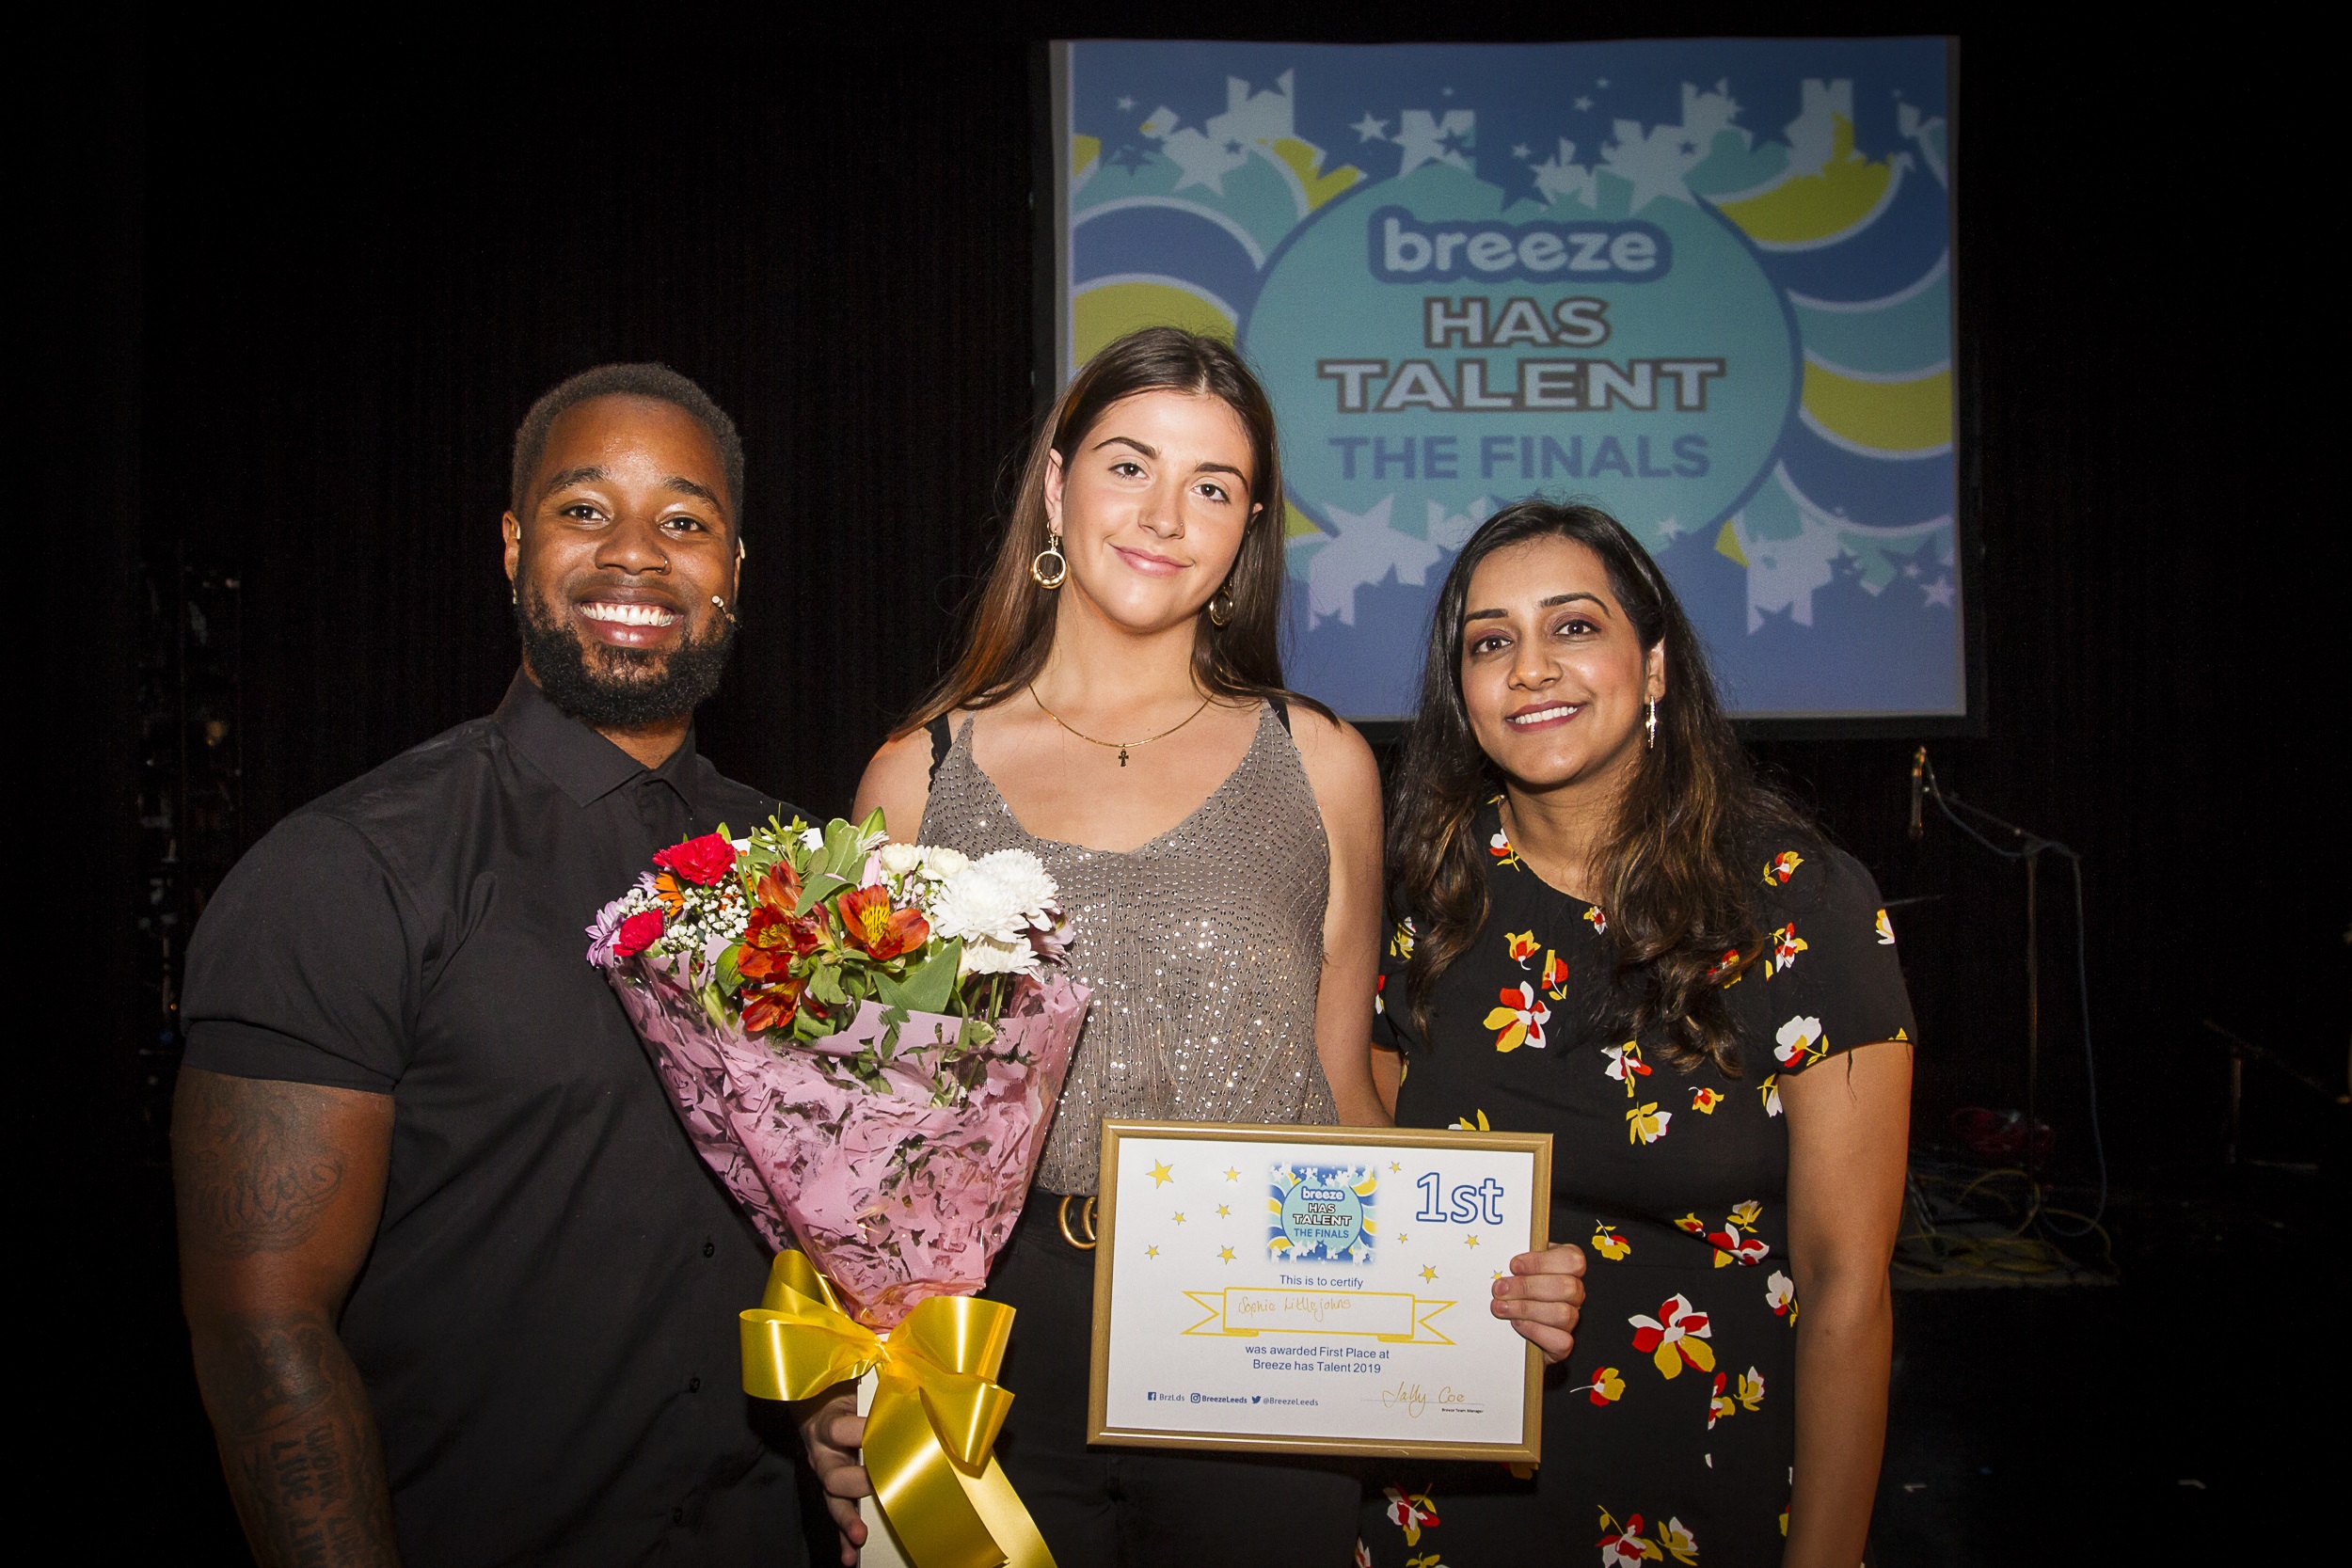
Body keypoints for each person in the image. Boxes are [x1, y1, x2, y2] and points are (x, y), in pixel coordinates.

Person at [173, 365, 808, 1567]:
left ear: (734, 570)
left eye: (684, 521)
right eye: (585, 509)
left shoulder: (802, 873)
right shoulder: (350, 868)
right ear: (514, 545)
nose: (637, 553)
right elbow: (261, 1326)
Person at [797, 325, 1388, 1565]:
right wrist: (834, 1372)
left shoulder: (1322, 762)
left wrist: (1454, 1279)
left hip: (1261, 1336)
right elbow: (854, 1141)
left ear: (1247, 531)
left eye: (1212, 486)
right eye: (1131, 465)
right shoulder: (917, 775)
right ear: (1059, 487)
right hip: (984, 1348)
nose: (1165, 514)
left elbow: (1345, 1092)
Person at [1359, 500, 1915, 1568]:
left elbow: (1847, 1282)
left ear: (1653, 667)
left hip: (1705, 1486)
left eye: (1572, 626)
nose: (1530, 668)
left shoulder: (1797, 900)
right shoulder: (1420, 899)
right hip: (1444, 1493)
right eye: (1489, 642)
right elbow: (1375, 1200)